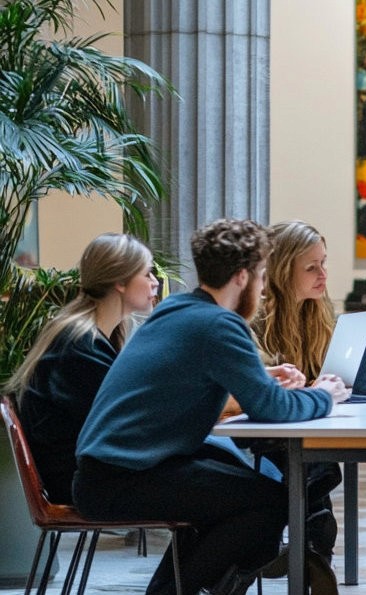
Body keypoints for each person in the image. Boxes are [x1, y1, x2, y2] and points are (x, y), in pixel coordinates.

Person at [72, 219, 350, 595]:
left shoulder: (177, 308)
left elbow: (205, 374)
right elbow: (270, 407)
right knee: (269, 505)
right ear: (241, 277)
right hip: (124, 479)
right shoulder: (220, 324)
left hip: (107, 473)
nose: (264, 285)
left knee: (244, 497)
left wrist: (262, 374)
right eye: (262, 275)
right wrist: (325, 395)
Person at [5, 233, 158, 505]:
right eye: (147, 274)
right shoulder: (79, 345)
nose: (155, 282)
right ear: (120, 282)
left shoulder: (83, 334)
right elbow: (127, 420)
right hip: (81, 481)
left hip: (87, 474)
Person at [248, 220, 342, 589]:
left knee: (321, 464)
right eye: (311, 267)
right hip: (256, 430)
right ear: (284, 271)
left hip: (298, 424)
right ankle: (314, 553)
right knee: (320, 467)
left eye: (324, 263)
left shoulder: (316, 312)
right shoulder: (254, 316)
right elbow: (256, 389)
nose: (323, 274)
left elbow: (321, 374)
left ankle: (303, 552)